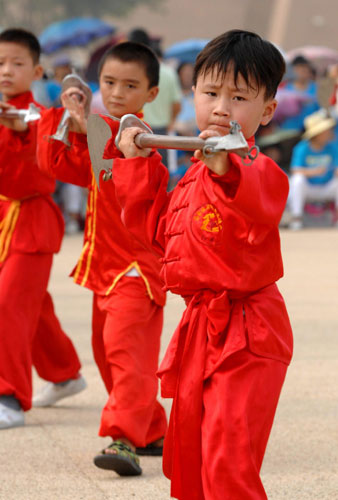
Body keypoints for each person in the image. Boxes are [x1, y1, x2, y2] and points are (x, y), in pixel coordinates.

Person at [112, 30, 293, 499]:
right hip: (200, 331)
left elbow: (261, 196)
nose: (221, 108)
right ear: (192, 94)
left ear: (267, 111)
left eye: (239, 97)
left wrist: (228, 167)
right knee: (190, 454)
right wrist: (136, 161)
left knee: (227, 455)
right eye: (211, 93)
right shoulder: (192, 170)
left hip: (250, 333)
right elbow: (157, 234)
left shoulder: (256, 167)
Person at [37, 42, 167, 476]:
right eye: (109, 82)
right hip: (105, 267)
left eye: (130, 85)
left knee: (127, 356)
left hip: (136, 271)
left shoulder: (143, 141)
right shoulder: (102, 129)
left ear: (151, 94)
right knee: (112, 355)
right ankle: (150, 429)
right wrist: (72, 122)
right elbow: (62, 167)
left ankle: (125, 439)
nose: (115, 93)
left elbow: (128, 184)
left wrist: (92, 130)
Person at [0, 28, 86, 429]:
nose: (6, 71)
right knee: (30, 304)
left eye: (17, 64)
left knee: (9, 306)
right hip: (4, 222)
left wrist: (21, 134)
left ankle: (9, 397)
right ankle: (64, 373)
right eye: (0, 63)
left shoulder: (38, 115)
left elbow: (38, 176)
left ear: (35, 70)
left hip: (31, 222)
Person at [288, 109, 338, 230]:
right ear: (318, 133)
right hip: (308, 188)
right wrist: (314, 172)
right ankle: (296, 218)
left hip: (327, 187)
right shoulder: (302, 148)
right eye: (326, 130)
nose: (329, 132)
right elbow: (295, 170)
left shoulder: (333, 147)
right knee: (297, 180)